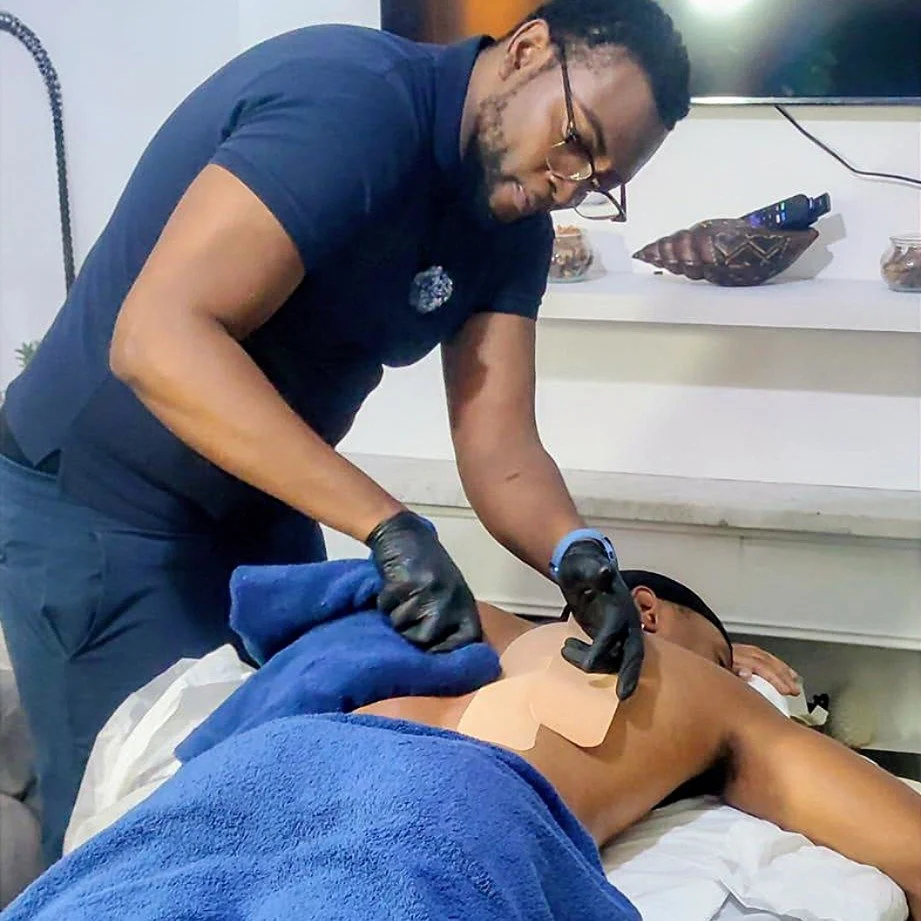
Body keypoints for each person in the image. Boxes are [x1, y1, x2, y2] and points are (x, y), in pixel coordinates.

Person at [0, 0, 702, 860]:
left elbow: (501, 447)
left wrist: (577, 556)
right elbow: (159, 338)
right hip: (103, 504)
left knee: (265, 786)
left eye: (599, 181)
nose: (568, 183)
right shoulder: (352, 105)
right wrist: (386, 524)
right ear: (525, 50)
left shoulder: (507, 220)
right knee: (134, 825)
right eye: (576, 139)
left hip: (257, 505)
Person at [5, 569, 920, 920]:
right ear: (646, 610)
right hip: (428, 810)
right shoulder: (698, 685)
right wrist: (745, 681)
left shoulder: (479, 630)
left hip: (263, 772)